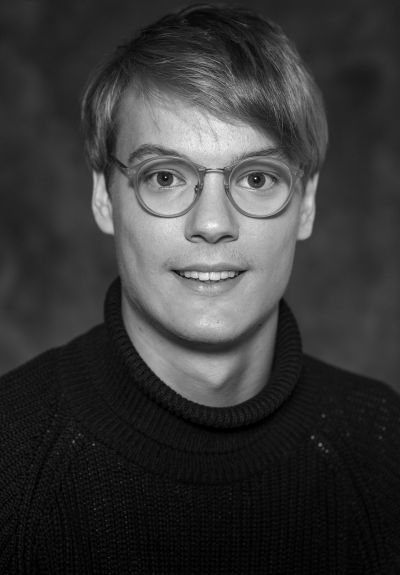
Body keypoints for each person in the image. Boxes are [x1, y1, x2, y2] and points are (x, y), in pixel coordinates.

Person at [1, 4, 399, 573]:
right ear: (103, 198)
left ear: (306, 204)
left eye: (256, 178)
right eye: (165, 177)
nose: (212, 223)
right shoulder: (12, 452)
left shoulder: (383, 448)